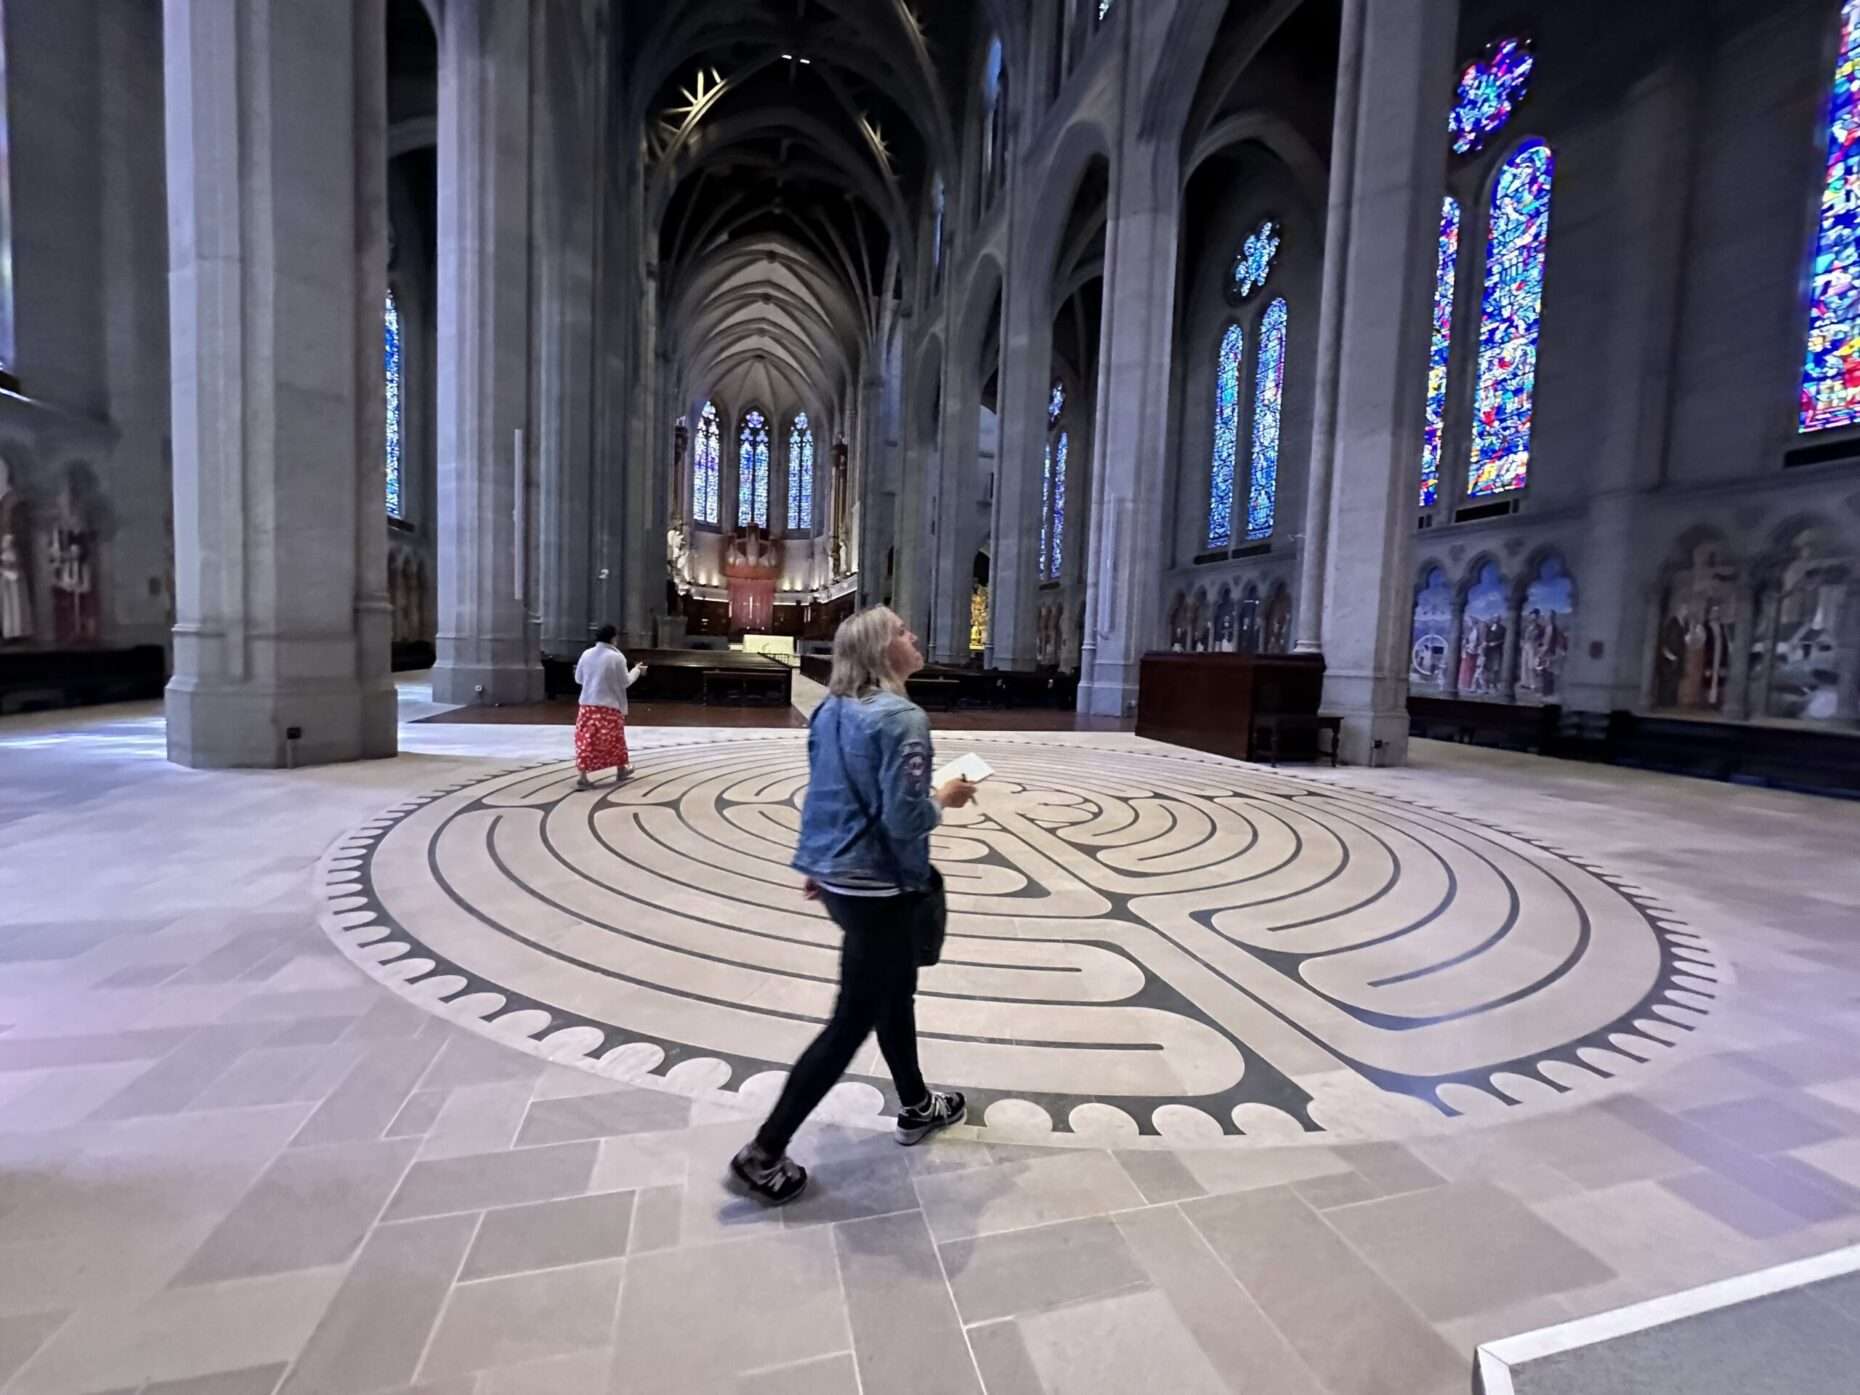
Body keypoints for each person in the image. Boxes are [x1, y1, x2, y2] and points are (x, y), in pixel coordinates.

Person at [729, 605, 976, 1205]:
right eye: (901, 631)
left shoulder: (830, 710)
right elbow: (904, 817)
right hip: (882, 887)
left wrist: (821, 862)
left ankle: (917, 1104)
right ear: (879, 650)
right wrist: (946, 796)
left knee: (893, 993)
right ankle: (763, 1152)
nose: (912, 636)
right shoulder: (903, 718)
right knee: (850, 1023)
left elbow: (825, 790)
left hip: (840, 877)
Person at [572, 624, 645, 789]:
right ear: (613, 638)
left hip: (587, 705)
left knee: (587, 740)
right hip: (609, 707)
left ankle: (583, 776)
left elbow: (578, 679)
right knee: (616, 740)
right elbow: (625, 681)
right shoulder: (616, 657)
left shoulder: (586, 654)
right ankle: (621, 770)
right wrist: (636, 670)